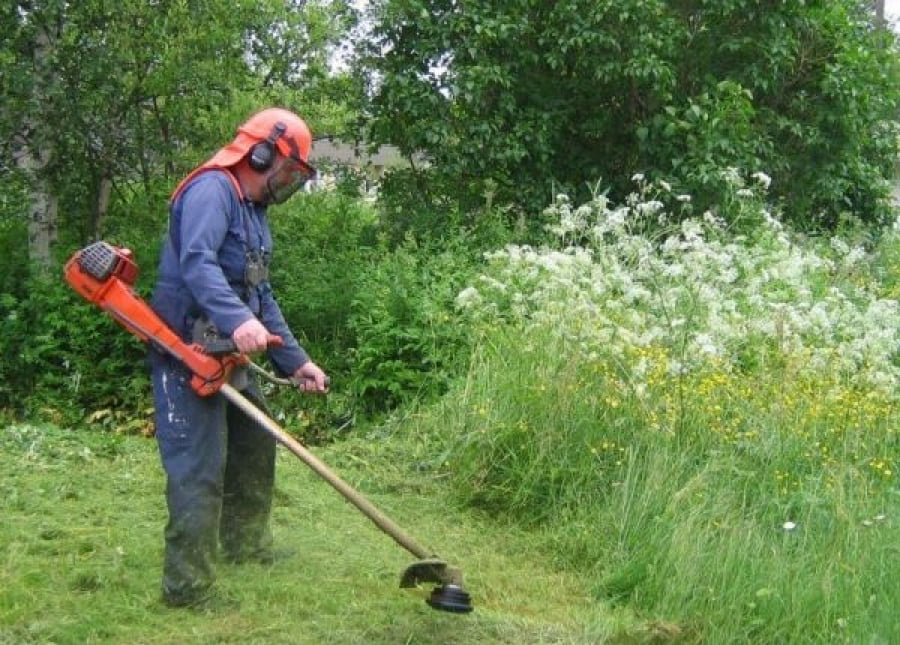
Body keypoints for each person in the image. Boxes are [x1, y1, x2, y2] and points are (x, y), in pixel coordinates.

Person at [148, 107, 329, 608]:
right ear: (262, 152)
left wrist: (297, 362)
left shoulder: (252, 212)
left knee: (255, 444)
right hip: (188, 353)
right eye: (289, 170)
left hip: (227, 352)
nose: (288, 182)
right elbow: (197, 262)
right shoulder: (212, 191)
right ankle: (186, 588)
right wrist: (238, 321)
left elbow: (260, 294)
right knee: (199, 467)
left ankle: (246, 547)